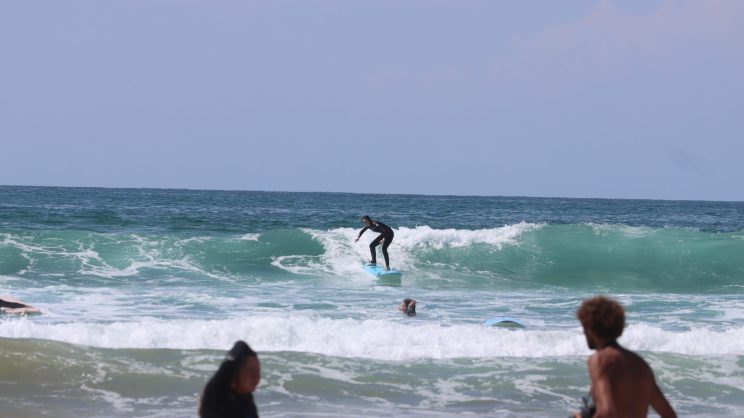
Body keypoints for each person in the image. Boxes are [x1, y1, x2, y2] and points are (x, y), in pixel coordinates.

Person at [573, 296, 676, 418]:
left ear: (590, 328)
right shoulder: (640, 364)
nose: (584, 332)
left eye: (584, 327)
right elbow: (669, 414)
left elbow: (607, 412)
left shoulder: (600, 360)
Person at [199, 341, 261, 418]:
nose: (256, 377)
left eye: (258, 372)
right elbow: (238, 347)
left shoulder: (247, 401)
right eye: (251, 371)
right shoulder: (218, 397)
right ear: (236, 370)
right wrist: (232, 360)